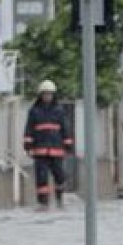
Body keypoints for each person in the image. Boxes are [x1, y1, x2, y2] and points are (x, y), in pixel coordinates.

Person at [22, 80, 71, 210]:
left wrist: (68, 144)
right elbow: (29, 129)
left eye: (50, 94)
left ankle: (60, 199)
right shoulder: (34, 110)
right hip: (40, 150)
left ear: (53, 95)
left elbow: (65, 128)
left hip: (56, 149)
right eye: (45, 94)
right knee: (42, 177)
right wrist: (27, 145)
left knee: (59, 175)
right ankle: (43, 203)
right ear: (41, 95)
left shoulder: (59, 110)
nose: (47, 97)